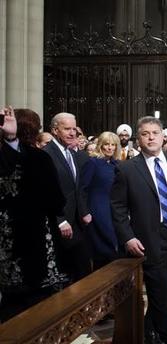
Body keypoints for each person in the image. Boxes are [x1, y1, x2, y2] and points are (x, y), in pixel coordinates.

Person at [111, 117, 167, 344]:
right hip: (147, 239)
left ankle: (147, 330)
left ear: (164, 136)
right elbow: (117, 206)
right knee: (157, 291)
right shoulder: (127, 169)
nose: (151, 137)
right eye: (145, 133)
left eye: (155, 132)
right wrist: (128, 237)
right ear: (138, 138)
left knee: (164, 291)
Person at [0, 107, 68, 321]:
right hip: (27, 247)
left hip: (23, 249)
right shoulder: (38, 158)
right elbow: (56, 201)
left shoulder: (35, 157)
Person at [43, 112, 92, 282]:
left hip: (76, 222)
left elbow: (76, 188)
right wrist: (60, 219)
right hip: (60, 225)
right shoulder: (47, 154)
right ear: (55, 130)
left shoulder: (70, 153)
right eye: (67, 129)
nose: (72, 133)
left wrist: (84, 211)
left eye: (74, 129)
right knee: (68, 274)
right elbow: (46, 192)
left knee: (82, 271)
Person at [80, 132, 121, 269]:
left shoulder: (117, 164)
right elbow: (82, 189)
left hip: (114, 210)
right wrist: (85, 212)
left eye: (113, 145)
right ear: (100, 146)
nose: (110, 148)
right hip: (97, 211)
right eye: (106, 144)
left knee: (115, 249)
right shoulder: (93, 162)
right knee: (103, 250)